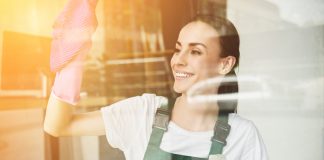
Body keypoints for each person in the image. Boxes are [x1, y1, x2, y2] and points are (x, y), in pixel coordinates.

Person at [44, 0, 268, 159]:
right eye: (178, 49)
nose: (178, 61)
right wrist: (75, 57)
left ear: (225, 64)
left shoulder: (242, 136)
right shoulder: (144, 113)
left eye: (195, 52)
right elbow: (58, 126)